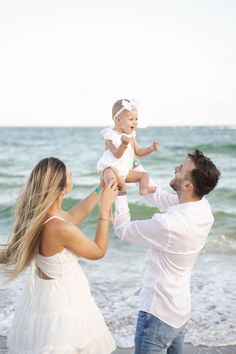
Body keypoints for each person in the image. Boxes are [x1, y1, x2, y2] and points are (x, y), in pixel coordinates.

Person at [0, 157, 117, 354]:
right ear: (61, 188)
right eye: (69, 174)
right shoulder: (57, 227)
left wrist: (99, 190)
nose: (72, 176)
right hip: (63, 303)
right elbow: (98, 251)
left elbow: (73, 216)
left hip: (47, 297)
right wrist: (105, 208)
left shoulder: (45, 217)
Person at [113, 149, 221, 354]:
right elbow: (159, 196)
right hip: (179, 314)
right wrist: (133, 161)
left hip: (157, 316)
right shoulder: (202, 207)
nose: (176, 168)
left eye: (181, 169)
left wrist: (120, 192)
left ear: (188, 185)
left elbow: (122, 229)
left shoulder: (169, 225)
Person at [97, 98, 160, 196]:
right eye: (131, 119)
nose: (135, 122)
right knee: (110, 184)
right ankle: (103, 201)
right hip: (110, 168)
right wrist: (123, 144)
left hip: (124, 170)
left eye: (136, 119)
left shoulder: (131, 134)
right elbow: (116, 154)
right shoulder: (111, 135)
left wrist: (151, 148)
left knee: (144, 175)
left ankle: (144, 189)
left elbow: (138, 151)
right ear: (118, 120)